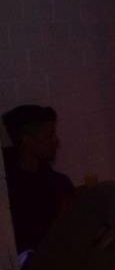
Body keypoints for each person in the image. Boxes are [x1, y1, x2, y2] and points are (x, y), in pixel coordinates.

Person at [1, 104, 74, 256]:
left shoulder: (59, 183)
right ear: (27, 140)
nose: (56, 141)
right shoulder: (9, 190)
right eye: (49, 135)